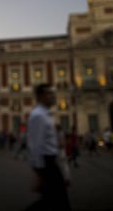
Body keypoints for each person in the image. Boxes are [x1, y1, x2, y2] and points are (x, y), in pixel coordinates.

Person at [26, 83, 71, 211]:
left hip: (50, 162)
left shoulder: (46, 114)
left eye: (52, 93)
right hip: (47, 164)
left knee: (52, 201)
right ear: (40, 96)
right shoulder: (38, 115)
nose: (53, 96)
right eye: (49, 93)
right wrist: (39, 173)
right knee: (59, 201)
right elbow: (35, 145)